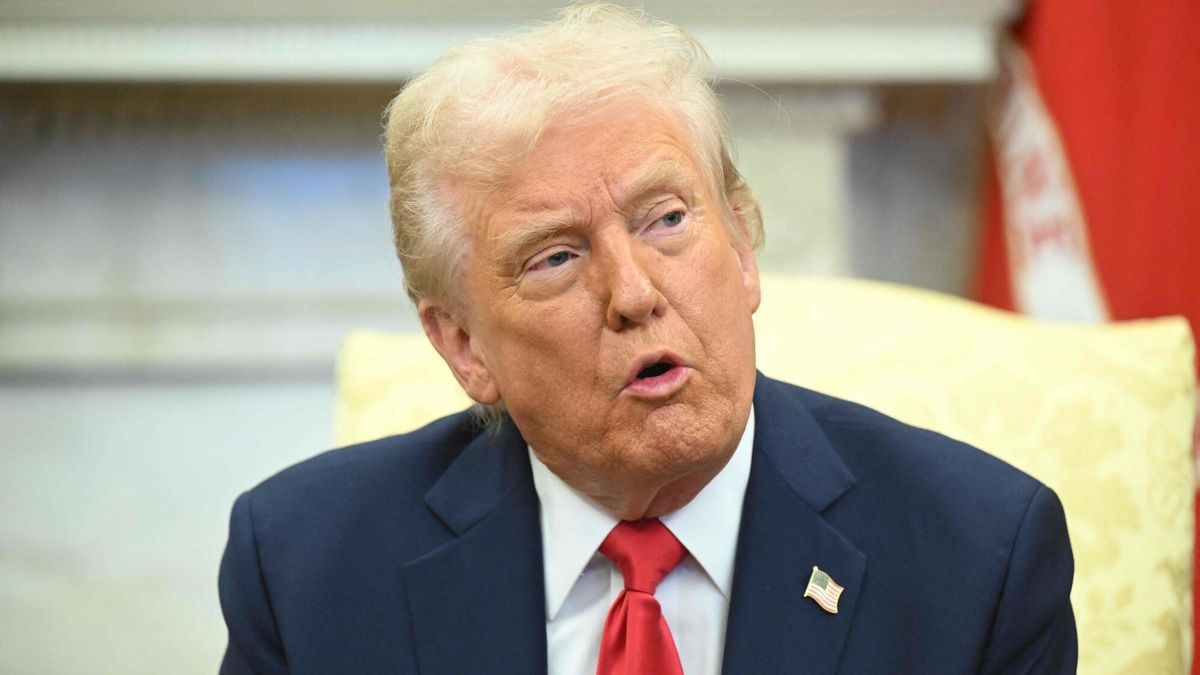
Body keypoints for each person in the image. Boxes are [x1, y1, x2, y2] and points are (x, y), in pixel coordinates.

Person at [217, 4, 1077, 674]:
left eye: (667, 218)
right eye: (555, 257)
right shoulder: (305, 568)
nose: (633, 294)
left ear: (740, 247)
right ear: (463, 345)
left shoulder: (977, 558)